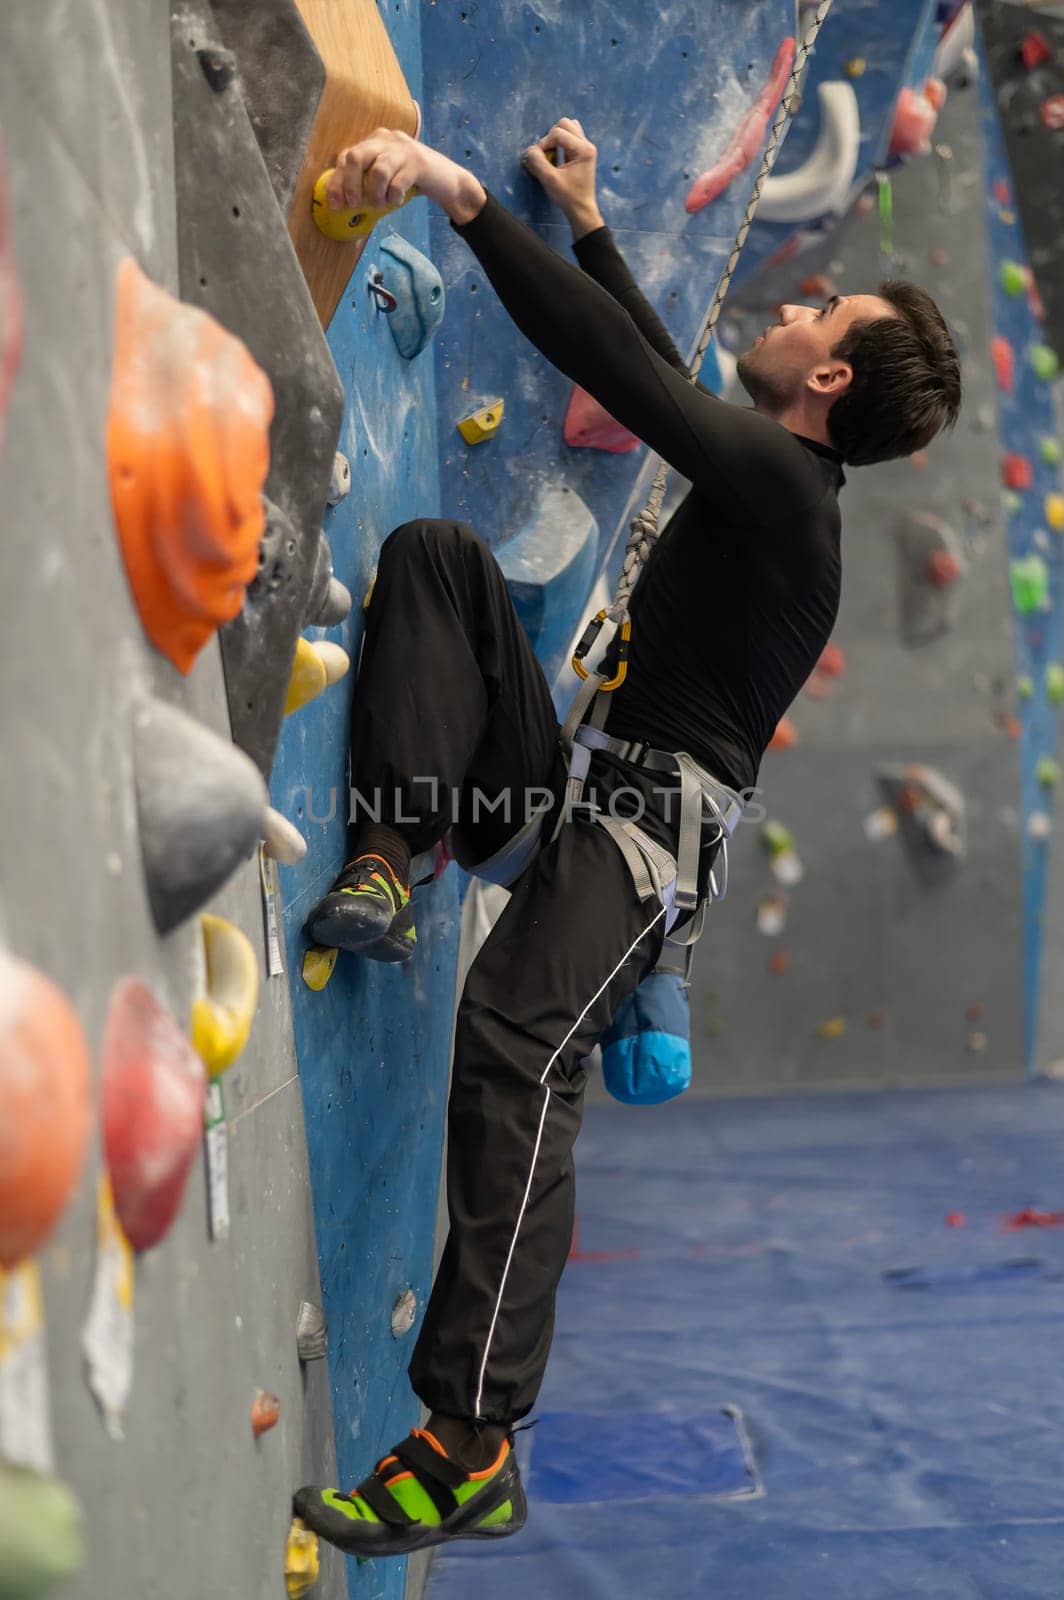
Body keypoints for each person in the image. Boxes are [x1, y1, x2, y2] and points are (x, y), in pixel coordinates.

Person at [294, 119, 961, 1557]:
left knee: (520, 1045)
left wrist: (470, 204)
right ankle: (392, 857)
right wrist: (590, 221)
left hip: (638, 844)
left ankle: (470, 1439)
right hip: (570, 788)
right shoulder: (766, 476)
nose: (793, 304)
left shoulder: (794, 496)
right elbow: (658, 379)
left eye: (818, 311)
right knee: (439, 566)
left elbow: (626, 379)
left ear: (831, 377)